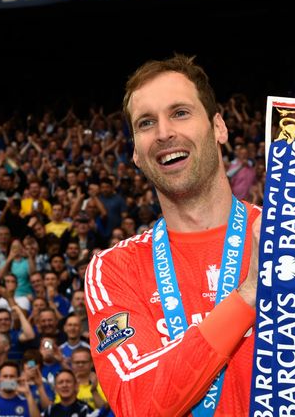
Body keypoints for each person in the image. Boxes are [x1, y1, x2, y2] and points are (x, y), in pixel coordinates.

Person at [86, 55, 262, 416]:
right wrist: (248, 296)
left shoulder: (289, 238)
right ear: (135, 151)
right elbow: (137, 402)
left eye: (180, 112)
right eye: (146, 122)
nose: (164, 133)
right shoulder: (114, 269)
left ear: (218, 128)